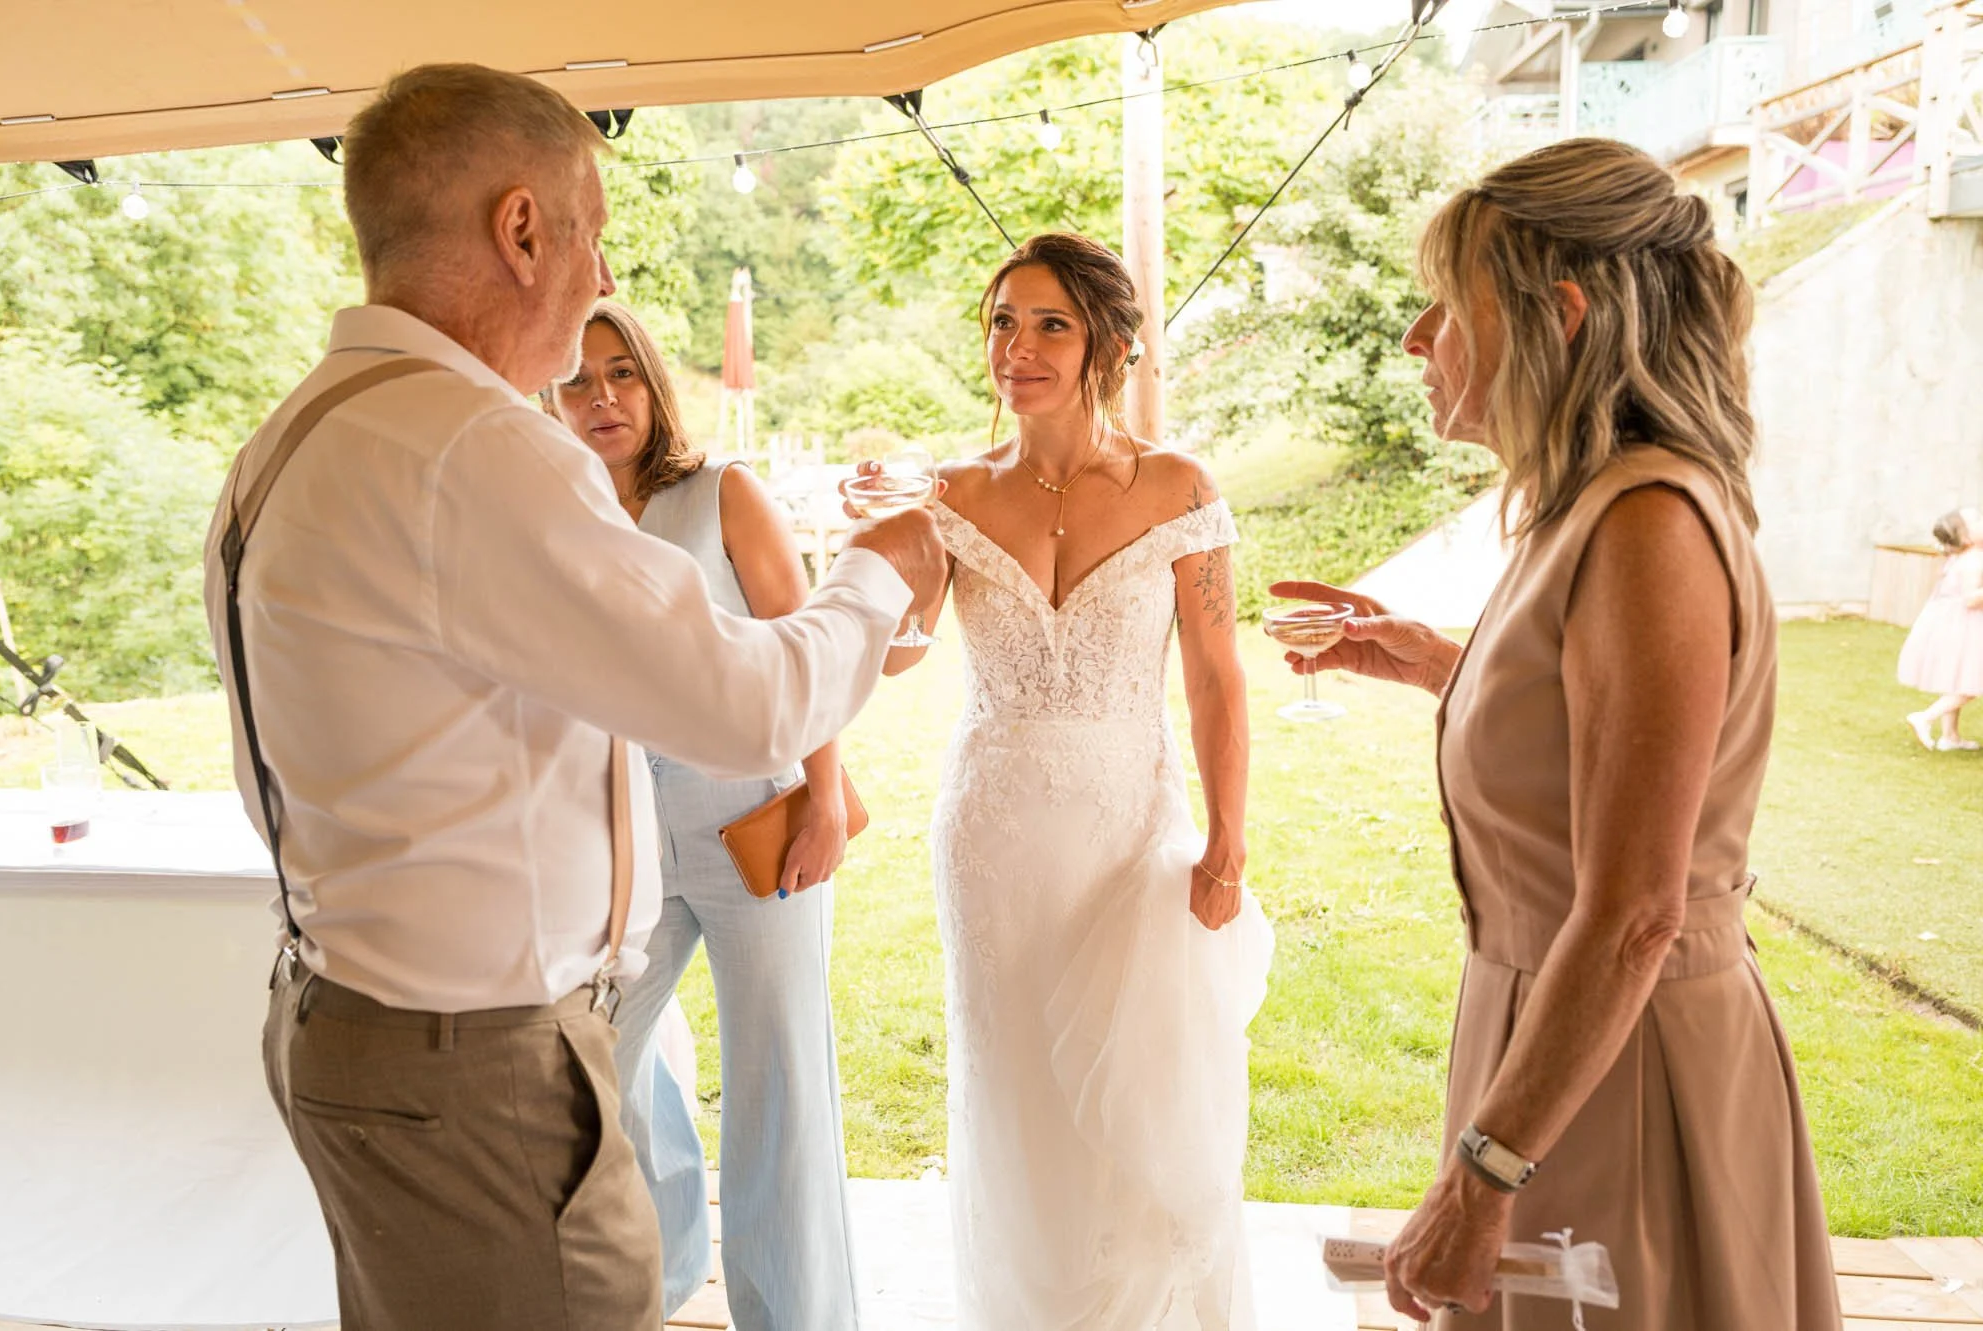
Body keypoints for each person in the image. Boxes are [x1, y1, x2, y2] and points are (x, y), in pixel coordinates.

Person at [202, 64, 943, 1331]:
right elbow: (744, 701)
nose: (600, 276)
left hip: (352, 1014)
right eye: (589, 231)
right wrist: (883, 572)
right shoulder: (473, 448)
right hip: (473, 1066)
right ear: (522, 229)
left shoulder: (299, 432)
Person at [1276, 138, 1841, 1330]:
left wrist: (1482, 1173)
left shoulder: (1645, 521)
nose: (1414, 340)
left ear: (1559, 315)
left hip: (1624, 1068)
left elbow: (1637, 908)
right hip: (1559, 1042)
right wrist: (1436, 662)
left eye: (1444, 305)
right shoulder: (1584, 507)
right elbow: (1590, 733)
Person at [877, 232, 1274, 1329]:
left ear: (1106, 342)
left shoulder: (1176, 486)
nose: (1020, 347)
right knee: (1013, 1094)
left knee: (1141, 1097)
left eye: (1050, 322)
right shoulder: (951, 493)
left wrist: (1227, 836)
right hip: (992, 831)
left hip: (1126, 831)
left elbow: (1215, 678)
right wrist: (874, 570)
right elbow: (902, 648)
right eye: (1004, 321)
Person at [543, 299, 863, 1329]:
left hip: (753, 817)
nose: (601, 397)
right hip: (622, 838)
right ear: (548, 397)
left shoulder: (724, 491)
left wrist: (825, 797)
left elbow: (801, 644)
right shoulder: (552, 515)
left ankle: (795, 1315)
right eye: (578, 379)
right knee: (598, 1065)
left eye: (620, 373)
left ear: (651, 381)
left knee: (778, 1083)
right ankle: (663, 1270)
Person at [1899, 507, 1983, 751]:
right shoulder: (1974, 561)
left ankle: (1950, 736)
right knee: (1972, 682)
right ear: (1965, 535)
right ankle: (1925, 717)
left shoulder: (1960, 558)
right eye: (1977, 520)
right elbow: (1970, 599)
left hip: (1952, 624)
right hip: (1966, 625)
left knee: (1958, 678)